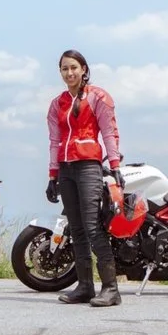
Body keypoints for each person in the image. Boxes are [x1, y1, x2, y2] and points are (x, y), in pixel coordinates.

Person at [46, 50, 123, 307]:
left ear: (84, 69)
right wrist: (52, 175)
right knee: (76, 229)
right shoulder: (57, 103)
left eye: (74, 68)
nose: (69, 73)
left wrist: (115, 166)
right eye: (64, 69)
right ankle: (85, 287)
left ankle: (111, 289)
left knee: (92, 227)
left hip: (89, 167)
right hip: (66, 170)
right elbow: (54, 141)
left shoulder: (98, 97)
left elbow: (110, 132)